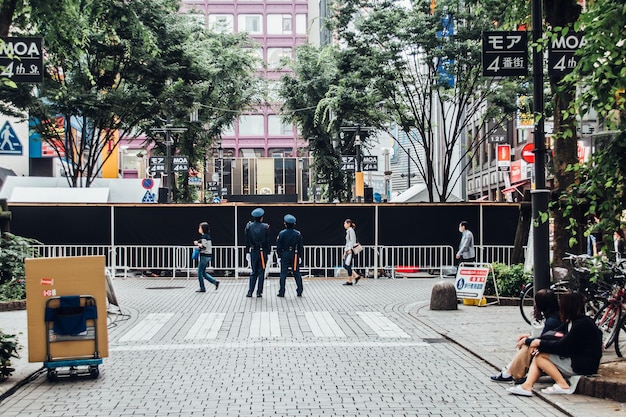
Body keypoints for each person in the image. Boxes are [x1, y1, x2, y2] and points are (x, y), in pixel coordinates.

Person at [507, 291, 602, 397]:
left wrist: (539, 343)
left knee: (540, 357)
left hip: (583, 364)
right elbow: (550, 335)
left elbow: (562, 346)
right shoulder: (573, 321)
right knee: (539, 354)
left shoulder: (581, 324)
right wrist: (534, 341)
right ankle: (527, 386)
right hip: (576, 359)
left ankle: (562, 385)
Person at [490, 289, 563, 383]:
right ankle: (508, 371)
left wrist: (527, 340)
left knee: (526, 346)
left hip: (552, 350)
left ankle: (509, 372)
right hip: (552, 346)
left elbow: (543, 339)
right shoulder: (554, 316)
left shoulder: (552, 321)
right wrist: (528, 336)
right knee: (526, 343)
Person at [276, 214, 304, 297]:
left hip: (285, 254)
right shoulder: (297, 234)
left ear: (285, 223)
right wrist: (300, 256)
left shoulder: (281, 233)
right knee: (296, 273)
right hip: (294, 255)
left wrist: (279, 256)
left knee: (283, 274)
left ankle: (282, 291)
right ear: (294, 224)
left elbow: (278, 246)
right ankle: (299, 290)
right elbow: (300, 246)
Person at [245, 207, 270, 298]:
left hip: (253, 251)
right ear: (262, 217)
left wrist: (247, 251)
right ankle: (259, 292)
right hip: (263, 252)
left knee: (253, 271)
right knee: (261, 272)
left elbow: (246, 240)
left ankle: (250, 291)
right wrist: (268, 252)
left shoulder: (249, 226)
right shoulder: (266, 227)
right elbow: (268, 241)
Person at [194, 222, 220, 292]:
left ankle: (202, 288)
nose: (199, 229)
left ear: (203, 229)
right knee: (203, 273)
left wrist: (197, 244)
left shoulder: (204, 237)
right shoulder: (207, 237)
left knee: (199, 272)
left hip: (204, 256)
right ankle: (215, 282)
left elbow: (204, 246)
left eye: (200, 228)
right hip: (208, 256)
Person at [342, 219, 363, 286]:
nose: (344, 225)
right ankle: (356, 276)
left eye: (345, 223)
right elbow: (347, 242)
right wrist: (345, 251)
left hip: (350, 251)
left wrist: (350, 249)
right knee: (345, 265)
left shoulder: (351, 231)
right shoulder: (348, 231)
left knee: (347, 265)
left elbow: (352, 241)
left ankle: (350, 280)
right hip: (348, 250)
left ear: (348, 224)